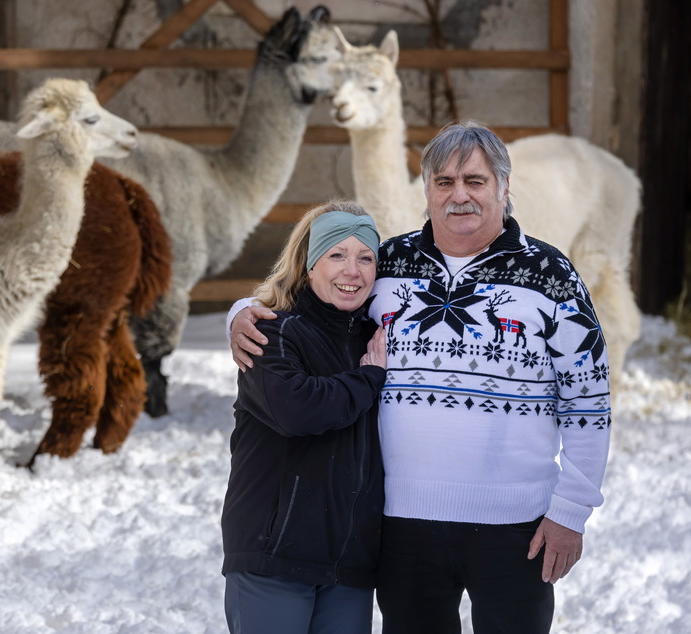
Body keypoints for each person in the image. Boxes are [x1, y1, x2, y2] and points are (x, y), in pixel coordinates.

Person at [229, 122, 611, 634]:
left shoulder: (550, 274)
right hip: (403, 526)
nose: (459, 196)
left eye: (474, 181)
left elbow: (588, 400)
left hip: (516, 526)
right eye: (444, 181)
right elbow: (319, 286)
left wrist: (571, 511)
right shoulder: (390, 263)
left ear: (504, 187)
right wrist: (243, 311)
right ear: (426, 189)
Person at [221, 200, 388, 634]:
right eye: (336, 254)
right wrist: (367, 379)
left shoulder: (375, 339)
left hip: (349, 565)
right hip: (274, 557)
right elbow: (296, 409)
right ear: (308, 264)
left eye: (365, 257)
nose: (352, 271)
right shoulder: (271, 330)